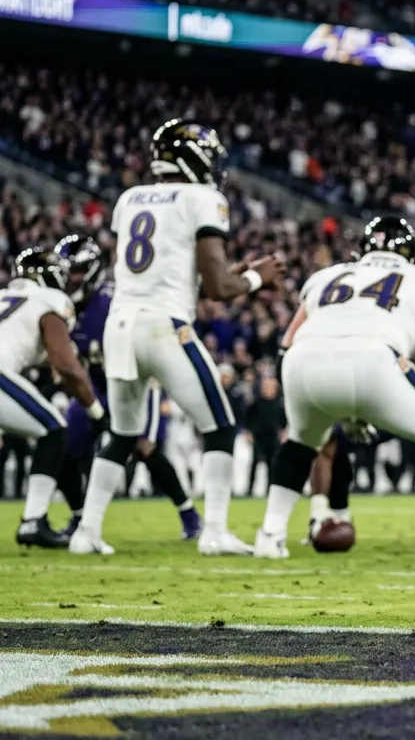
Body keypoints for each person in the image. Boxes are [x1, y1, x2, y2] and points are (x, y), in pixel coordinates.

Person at [70, 119, 282, 556]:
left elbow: (169, 273)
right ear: (195, 158)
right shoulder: (202, 197)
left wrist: (230, 275)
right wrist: (257, 279)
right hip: (163, 327)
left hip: (121, 326)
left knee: (124, 434)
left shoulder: (130, 199)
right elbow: (219, 288)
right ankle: (216, 530)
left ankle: (86, 532)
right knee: (221, 425)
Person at [257, 215, 415, 561]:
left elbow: (285, 346)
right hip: (373, 357)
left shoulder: (326, 277)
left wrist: (316, 407)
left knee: (300, 444)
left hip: (302, 360)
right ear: (412, 253)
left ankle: (270, 535)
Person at [54, 235, 201, 542]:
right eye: (69, 272)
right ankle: (81, 518)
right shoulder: (62, 306)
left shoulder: (111, 301)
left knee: (142, 446)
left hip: (131, 378)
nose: (72, 279)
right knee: (66, 446)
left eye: (78, 272)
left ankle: (189, 515)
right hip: (93, 383)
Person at [1, 248, 106, 547]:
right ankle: (33, 520)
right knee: (54, 429)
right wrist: (96, 412)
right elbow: (67, 367)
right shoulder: (50, 301)